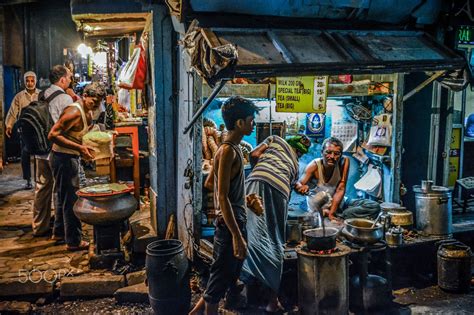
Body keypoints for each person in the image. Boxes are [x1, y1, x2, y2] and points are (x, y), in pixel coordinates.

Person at [190, 96, 260, 315]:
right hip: (230, 225)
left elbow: (211, 183)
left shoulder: (226, 148)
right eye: (250, 120)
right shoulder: (229, 150)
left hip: (232, 219)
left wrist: (241, 198)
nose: (253, 124)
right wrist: (237, 237)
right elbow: (222, 197)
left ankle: (195, 313)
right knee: (219, 281)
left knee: (224, 275)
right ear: (239, 123)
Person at [241, 134, 311, 313]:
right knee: (274, 240)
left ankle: (240, 289)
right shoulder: (295, 165)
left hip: (253, 182)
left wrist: (261, 172)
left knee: (247, 234)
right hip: (278, 190)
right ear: (299, 153)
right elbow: (288, 184)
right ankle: (272, 302)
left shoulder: (275, 139)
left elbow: (254, 155)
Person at [48, 82, 106, 251]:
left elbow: (81, 133)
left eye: (98, 102)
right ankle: (73, 241)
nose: (95, 105)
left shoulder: (87, 110)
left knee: (63, 196)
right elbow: (53, 134)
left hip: (69, 157)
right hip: (63, 158)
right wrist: (80, 148)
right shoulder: (74, 111)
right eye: (92, 101)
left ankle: (59, 233)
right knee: (71, 200)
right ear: (84, 96)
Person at [32, 65, 74, 237]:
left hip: (40, 150)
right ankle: (61, 229)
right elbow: (68, 128)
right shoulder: (65, 99)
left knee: (42, 188)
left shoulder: (40, 94)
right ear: (62, 79)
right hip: (57, 150)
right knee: (61, 190)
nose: (71, 80)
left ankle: (39, 227)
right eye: (69, 77)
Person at [295, 137, 380, 220]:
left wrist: (331, 213)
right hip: (318, 206)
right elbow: (299, 183)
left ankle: (339, 215)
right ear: (322, 153)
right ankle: (336, 215)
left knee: (374, 206)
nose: (332, 156)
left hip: (339, 203)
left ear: (341, 155)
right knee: (316, 216)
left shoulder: (344, 161)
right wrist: (300, 188)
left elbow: (341, 189)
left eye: (336, 153)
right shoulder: (314, 166)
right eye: (328, 152)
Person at [5, 71, 40, 189]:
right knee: (25, 154)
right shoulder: (19, 97)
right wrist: (9, 125)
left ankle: (38, 179)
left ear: (36, 81)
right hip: (24, 130)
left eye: (32, 80)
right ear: (24, 81)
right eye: (27, 81)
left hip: (38, 131)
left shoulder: (41, 95)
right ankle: (28, 179)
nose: (30, 83)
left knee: (38, 156)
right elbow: (13, 112)